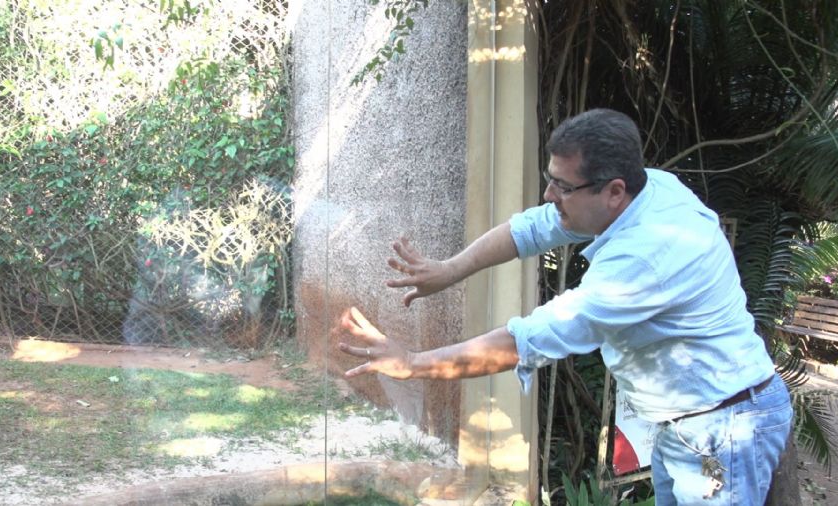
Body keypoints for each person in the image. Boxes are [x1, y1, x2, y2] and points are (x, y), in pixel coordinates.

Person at [336, 108, 792, 505]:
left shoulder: (645, 259)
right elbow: (535, 227)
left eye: (563, 187)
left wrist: (413, 363)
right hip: (688, 424)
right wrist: (450, 269)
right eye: (550, 179)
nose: (549, 195)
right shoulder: (647, 188)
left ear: (613, 191)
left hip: (722, 429)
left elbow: (531, 338)